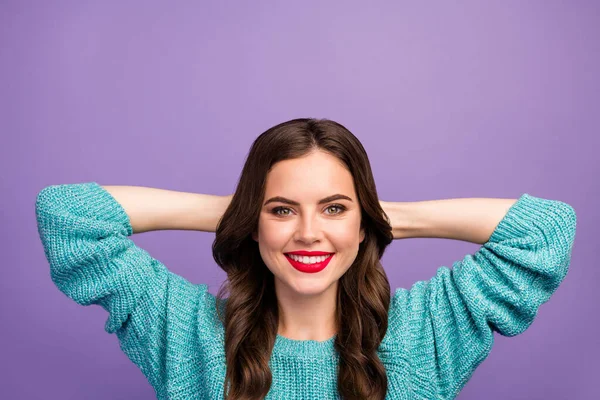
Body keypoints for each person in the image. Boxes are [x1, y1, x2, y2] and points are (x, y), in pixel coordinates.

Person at [35, 118, 577, 400]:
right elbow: (68, 215)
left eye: (334, 209)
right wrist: (246, 207)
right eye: (283, 210)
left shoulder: (423, 334)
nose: (309, 234)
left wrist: (374, 217)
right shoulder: (188, 333)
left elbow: (547, 229)